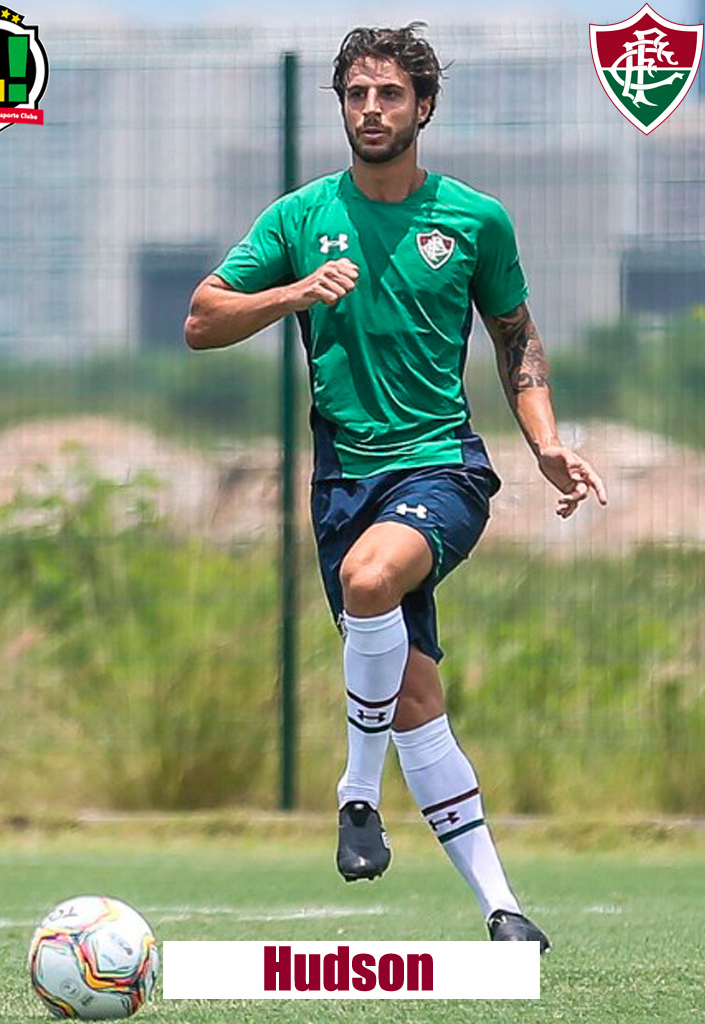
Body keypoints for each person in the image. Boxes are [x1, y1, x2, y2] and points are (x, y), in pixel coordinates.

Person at [184, 23, 607, 952]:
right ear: (340, 105)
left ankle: (354, 793)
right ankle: (505, 912)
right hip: (342, 480)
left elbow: (515, 338)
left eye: (388, 94)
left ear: (423, 107)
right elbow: (203, 318)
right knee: (413, 698)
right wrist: (291, 295)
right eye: (355, 95)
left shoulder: (474, 220)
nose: (370, 109)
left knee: (372, 581)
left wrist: (544, 446)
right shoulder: (299, 218)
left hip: (441, 466)